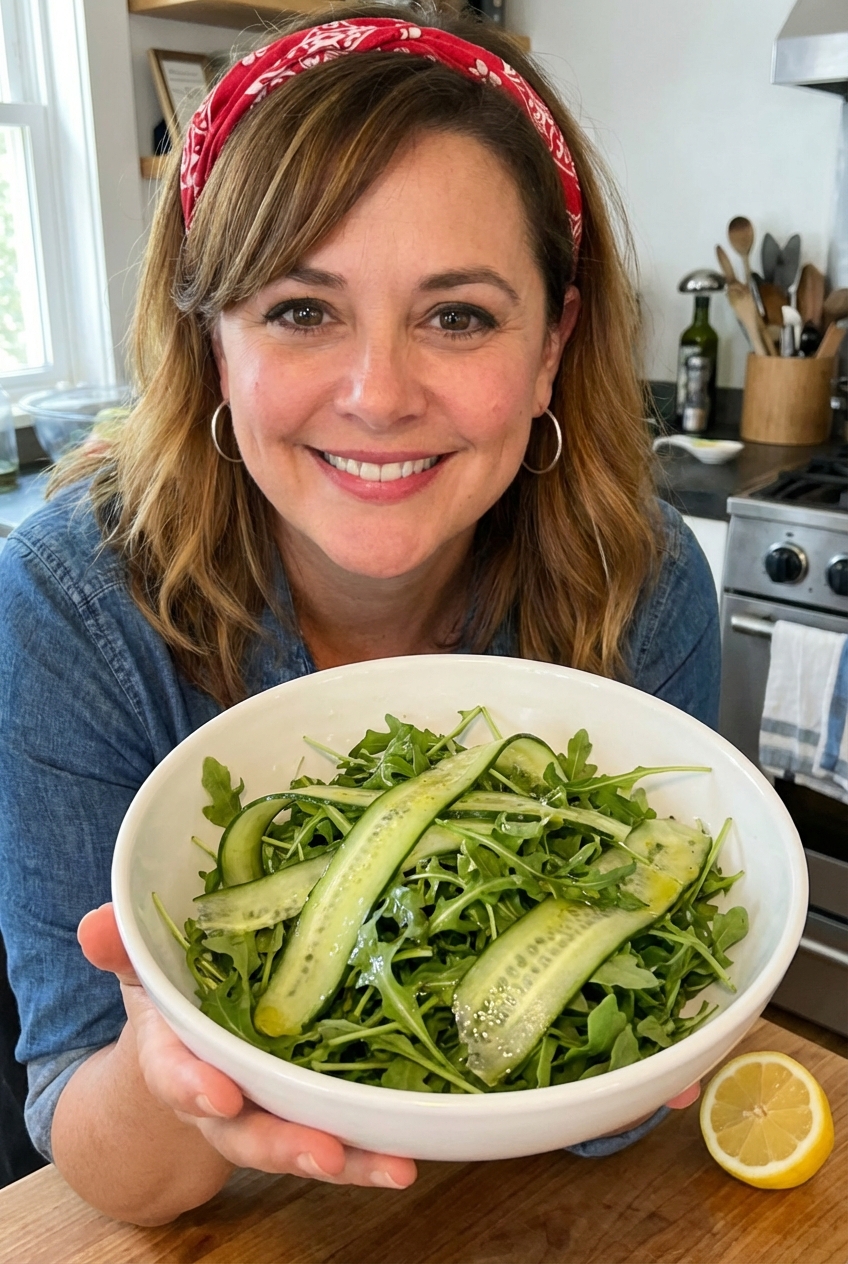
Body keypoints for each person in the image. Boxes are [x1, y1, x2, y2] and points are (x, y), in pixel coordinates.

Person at [0, 3, 717, 1224]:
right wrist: (169, 1082)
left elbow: (618, 1105)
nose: (378, 395)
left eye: (457, 315)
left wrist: (652, 1055)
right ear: (210, 339)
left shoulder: (638, 577)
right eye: (299, 309)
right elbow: (101, 1159)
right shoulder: (72, 599)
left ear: (552, 344)